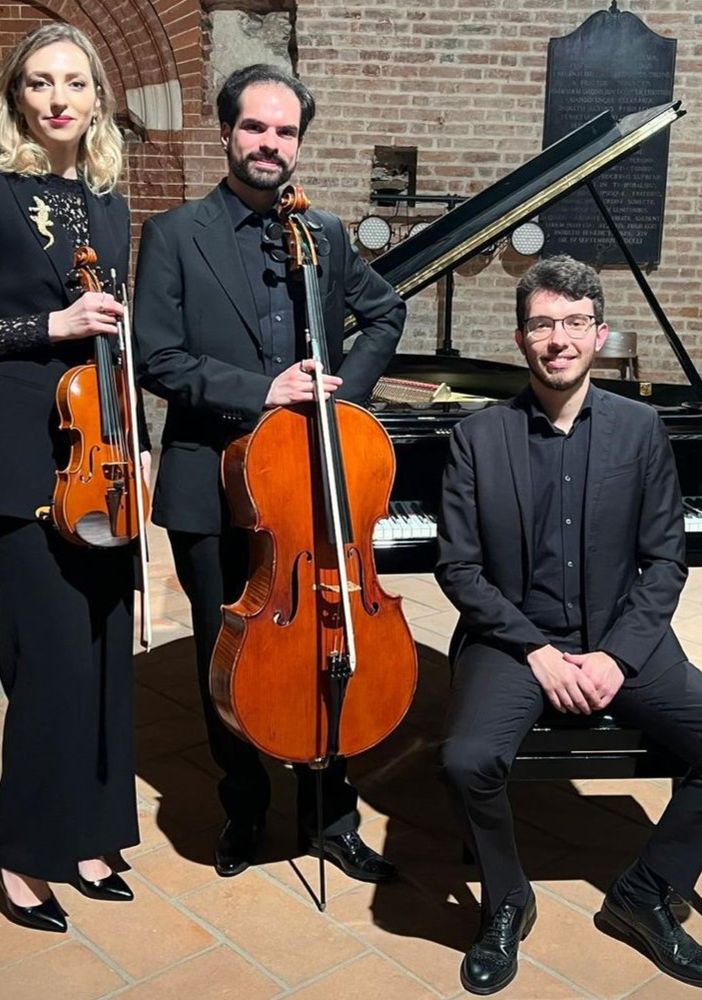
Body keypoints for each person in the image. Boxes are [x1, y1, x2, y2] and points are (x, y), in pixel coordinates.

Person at [134, 64, 405, 882]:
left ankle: (331, 813)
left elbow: (385, 311)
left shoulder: (323, 233)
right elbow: (157, 357)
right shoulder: (175, 234)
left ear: (298, 144)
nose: (270, 143)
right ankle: (244, 804)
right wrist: (263, 392)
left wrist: (340, 404)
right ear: (227, 133)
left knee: (327, 632)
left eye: (286, 132)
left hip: (310, 480)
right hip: (211, 481)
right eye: (255, 127)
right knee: (227, 648)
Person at [435, 255, 702, 994]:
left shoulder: (640, 429)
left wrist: (617, 656)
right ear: (521, 338)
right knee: (465, 759)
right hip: (514, 640)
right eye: (543, 324)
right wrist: (538, 652)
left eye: (575, 322)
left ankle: (645, 893)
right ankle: (506, 899)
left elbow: (665, 561)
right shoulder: (477, 437)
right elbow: (460, 569)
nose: (559, 339)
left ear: (599, 334)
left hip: (623, 634)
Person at [0, 24, 150, 933]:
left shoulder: (109, 204)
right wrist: (47, 328)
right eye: (39, 82)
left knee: (102, 659)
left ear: (98, 98)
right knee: (51, 664)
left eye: (75, 83)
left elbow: (116, 342)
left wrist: (138, 440)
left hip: (100, 458)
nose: (58, 98)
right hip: (20, 457)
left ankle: (92, 837)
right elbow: (57, 326)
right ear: (17, 98)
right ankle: (22, 856)